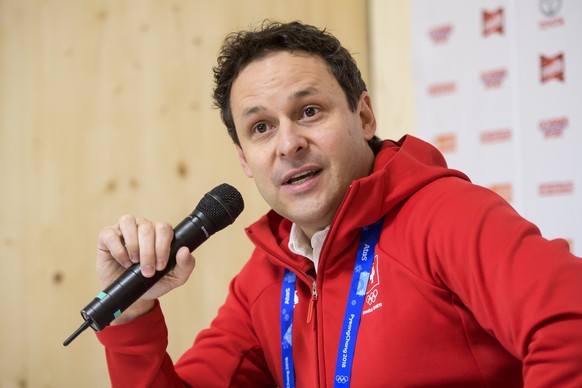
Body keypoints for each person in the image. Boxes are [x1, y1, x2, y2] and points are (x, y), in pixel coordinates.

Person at [94, 20, 582, 387]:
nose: (288, 144)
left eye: (309, 111)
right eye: (261, 127)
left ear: (363, 115)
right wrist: (132, 319)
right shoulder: (264, 279)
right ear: (245, 159)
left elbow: (570, 326)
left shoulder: (448, 216)